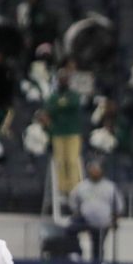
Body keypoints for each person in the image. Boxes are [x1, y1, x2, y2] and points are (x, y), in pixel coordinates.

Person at [68, 160, 125, 261]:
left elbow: (119, 206)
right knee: (71, 230)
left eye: (97, 170)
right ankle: (76, 253)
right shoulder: (82, 186)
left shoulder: (110, 187)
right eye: (92, 169)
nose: (94, 172)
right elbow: (73, 201)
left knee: (97, 247)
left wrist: (115, 220)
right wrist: (77, 213)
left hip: (103, 222)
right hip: (85, 219)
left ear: (101, 171)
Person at [44, 68, 83, 198]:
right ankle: (62, 189)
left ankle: (74, 189)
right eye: (61, 79)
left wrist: (60, 106)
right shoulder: (54, 96)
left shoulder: (74, 95)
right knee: (60, 162)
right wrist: (61, 106)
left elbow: (74, 104)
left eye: (65, 79)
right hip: (58, 133)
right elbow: (50, 109)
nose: (63, 81)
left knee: (72, 161)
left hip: (72, 132)